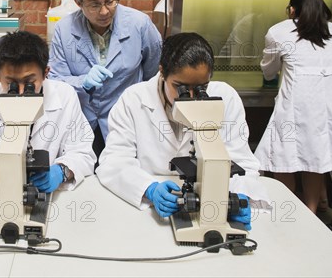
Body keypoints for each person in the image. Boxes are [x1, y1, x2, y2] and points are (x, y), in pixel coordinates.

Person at [97, 33, 269, 228]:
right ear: (162, 72)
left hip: (210, 205)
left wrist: (239, 197)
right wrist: (149, 189)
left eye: (202, 87)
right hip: (147, 213)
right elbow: (114, 161)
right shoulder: (133, 100)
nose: (192, 96)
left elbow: (242, 161)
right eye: (181, 88)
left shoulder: (225, 98)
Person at [0, 31, 96, 224]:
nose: (21, 93)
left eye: (29, 83)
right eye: (11, 84)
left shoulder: (65, 96)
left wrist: (61, 171)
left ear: (46, 73)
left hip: (50, 200)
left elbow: (83, 152)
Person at [49, 0, 162, 165]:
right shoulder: (64, 30)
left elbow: (153, 75)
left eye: (110, 1)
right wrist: (82, 82)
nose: (104, 11)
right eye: (94, 4)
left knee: (123, 178)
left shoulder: (140, 25)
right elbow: (55, 82)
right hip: (81, 123)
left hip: (127, 124)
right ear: (78, 2)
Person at [254, 0, 332, 213]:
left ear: (292, 10)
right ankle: (311, 211)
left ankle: (286, 208)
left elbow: (269, 71)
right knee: (315, 159)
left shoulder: (279, 31)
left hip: (301, 104)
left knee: (282, 157)